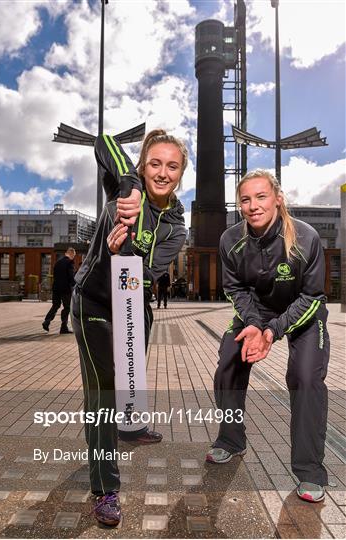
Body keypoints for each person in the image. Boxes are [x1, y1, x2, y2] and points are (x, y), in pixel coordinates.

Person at [71, 129, 187, 526]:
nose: (162, 172)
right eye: (154, 163)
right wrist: (129, 185)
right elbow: (103, 140)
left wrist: (127, 249)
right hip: (94, 305)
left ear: (181, 173)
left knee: (129, 384)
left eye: (172, 166)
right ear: (143, 166)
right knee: (102, 392)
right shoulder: (123, 190)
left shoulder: (177, 227)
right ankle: (105, 489)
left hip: (135, 306)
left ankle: (131, 426)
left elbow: (149, 272)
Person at [207, 169, 329, 504]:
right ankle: (231, 440)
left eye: (261, 197)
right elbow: (235, 288)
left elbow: (312, 296)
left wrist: (272, 332)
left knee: (305, 377)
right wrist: (253, 323)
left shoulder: (305, 238)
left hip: (303, 313)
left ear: (277, 198)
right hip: (255, 313)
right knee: (228, 364)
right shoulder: (230, 240)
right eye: (245, 199)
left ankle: (310, 471)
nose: (253, 205)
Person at [42, 247, 76, 334]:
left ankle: (47, 321)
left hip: (56, 288)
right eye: (74, 255)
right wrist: (75, 286)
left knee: (55, 305)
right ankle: (63, 327)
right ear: (71, 254)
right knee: (67, 307)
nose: (74, 257)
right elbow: (71, 277)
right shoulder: (70, 262)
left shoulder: (57, 262)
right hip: (65, 289)